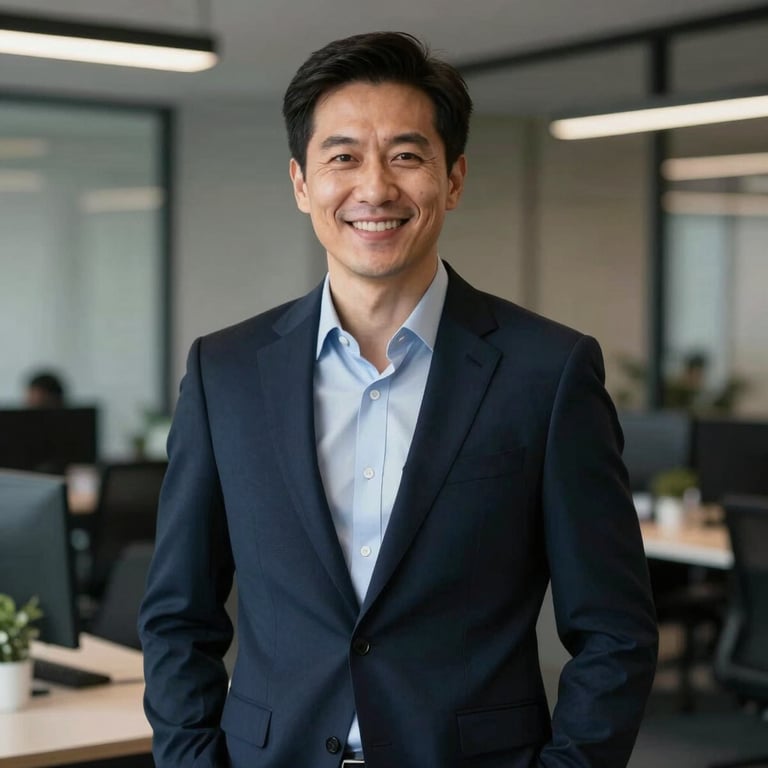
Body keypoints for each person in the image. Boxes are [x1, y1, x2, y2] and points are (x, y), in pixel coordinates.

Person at [139, 31, 658, 768]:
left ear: (452, 179)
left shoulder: (548, 372)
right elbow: (178, 617)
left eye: (407, 155)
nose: (375, 188)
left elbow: (616, 630)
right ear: (300, 183)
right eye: (342, 157)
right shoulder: (225, 372)